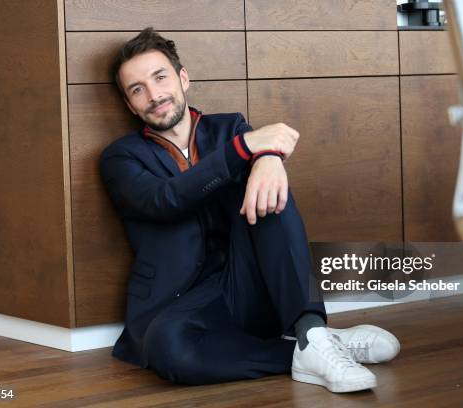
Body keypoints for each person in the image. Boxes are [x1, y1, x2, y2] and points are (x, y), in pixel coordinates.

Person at [100, 27, 400, 393]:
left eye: (160, 77)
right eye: (137, 89)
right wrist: (250, 149)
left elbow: (263, 159)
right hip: (178, 303)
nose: (153, 94)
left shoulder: (230, 128)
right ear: (130, 104)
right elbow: (165, 199)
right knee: (169, 350)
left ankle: (309, 329)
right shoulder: (121, 158)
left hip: (247, 288)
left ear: (182, 77)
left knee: (271, 191)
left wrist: (270, 158)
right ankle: (310, 348)